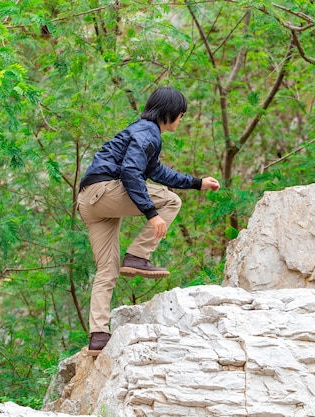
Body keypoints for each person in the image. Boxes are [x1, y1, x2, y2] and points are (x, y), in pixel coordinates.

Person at [77, 87, 221, 355]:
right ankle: (137, 256)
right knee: (170, 201)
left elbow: (156, 172)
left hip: (88, 201)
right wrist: (152, 214)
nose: (181, 120)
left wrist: (197, 183)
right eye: (181, 115)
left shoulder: (141, 132)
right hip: (104, 191)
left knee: (106, 271)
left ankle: (98, 336)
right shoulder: (147, 132)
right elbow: (131, 172)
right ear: (171, 113)